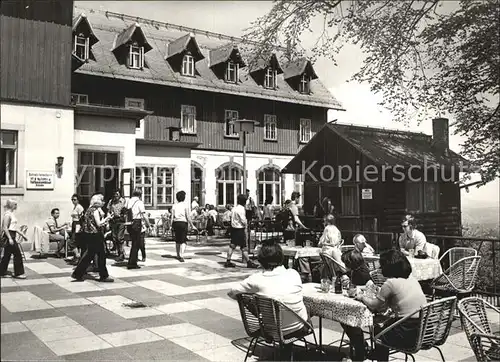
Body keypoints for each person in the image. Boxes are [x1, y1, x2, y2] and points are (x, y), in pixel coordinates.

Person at [356, 249, 427, 361]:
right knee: (385, 322)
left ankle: (379, 357)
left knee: (378, 327)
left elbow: (375, 306)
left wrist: (361, 297)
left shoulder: (390, 283)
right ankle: (378, 355)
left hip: (405, 332)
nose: (380, 268)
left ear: (388, 267)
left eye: (382, 265)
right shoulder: (413, 279)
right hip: (422, 330)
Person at [228, 241, 308, 335]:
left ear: (260, 261)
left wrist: (254, 304)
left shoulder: (256, 279)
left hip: (271, 331)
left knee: (248, 298)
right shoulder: (293, 274)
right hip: (299, 328)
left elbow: (232, 292)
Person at [71, 194, 114, 282]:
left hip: (89, 235)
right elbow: (98, 224)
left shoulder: (88, 210)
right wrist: (107, 218)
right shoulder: (95, 211)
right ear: (97, 202)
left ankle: (77, 274)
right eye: (102, 200)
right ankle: (104, 276)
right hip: (96, 235)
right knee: (101, 255)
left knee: (88, 255)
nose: (103, 202)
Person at [340, 249, 371, 361]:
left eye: (346, 263)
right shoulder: (357, 269)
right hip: (356, 303)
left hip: (365, 305)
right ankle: (360, 345)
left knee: (346, 318)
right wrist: (345, 276)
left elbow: (369, 286)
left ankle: (360, 348)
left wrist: (356, 288)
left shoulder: (362, 272)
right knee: (343, 317)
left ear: (351, 263)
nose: (344, 265)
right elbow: (348, 275)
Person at [224, 194, 258, 269]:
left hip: (233, 229)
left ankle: (228, 261)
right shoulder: (241, 209)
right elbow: (243, 220)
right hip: (240, 229)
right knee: (243, 247)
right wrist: (247, 223)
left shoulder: (234, 209)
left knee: (232, 246)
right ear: (244, 201)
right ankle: (249, 262)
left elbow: (231, 218)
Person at [0, 199, 28, 279]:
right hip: (9, 236)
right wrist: (10, 238)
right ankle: (18, 273)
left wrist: (22, 235)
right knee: (17, 254)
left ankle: (1, 272)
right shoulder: (7, 215)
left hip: (12, 235)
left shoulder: (12, 214)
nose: (16, 206)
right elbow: (5, 227)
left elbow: (14, 227)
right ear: (11, 205)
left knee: (7, 255)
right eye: (15, 204)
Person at [125, 189, 149, 269]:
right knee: (136, 243)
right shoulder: (139, 202)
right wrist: (148, 224)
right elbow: (144, 214)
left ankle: (132, 261)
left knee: (134, 242)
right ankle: (132, 263)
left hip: (129, 223)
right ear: (140, 195)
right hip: (136, 223)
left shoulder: (128, 201)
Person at [171, 190, 197, 262]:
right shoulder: (185, 205)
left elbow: (172, 216)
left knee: (177, 240)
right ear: (184, 197)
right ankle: (181, 255)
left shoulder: (174, 205)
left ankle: (177, 254)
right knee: (183, 240)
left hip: (176, 222)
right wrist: (192, 225)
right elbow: (188, 216)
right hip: (183, 223)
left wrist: (171, 225)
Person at [107, 190, 126, 261]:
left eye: (117, 195)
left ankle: (121, 254)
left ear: (120, 195)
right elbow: (108, 211)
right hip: (113, 221)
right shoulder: (111, 202)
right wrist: (109, 218)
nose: (116, 196)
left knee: (119, 238)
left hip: (121, 221)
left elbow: (127, 211)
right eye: (115, 195)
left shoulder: (123, 201)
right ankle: (119, 253)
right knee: (114, 238)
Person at [67, 194, 84, 264]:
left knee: (72, 242)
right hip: (74, 224)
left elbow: (81, 218)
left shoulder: (79, 207)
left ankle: (77, 256)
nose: (73, 201)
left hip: (78, 224)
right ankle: (76, 257)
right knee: (75, 241)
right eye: (72, 199)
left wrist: (80, 227)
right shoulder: (75, 207)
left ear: (78, 200)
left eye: (75, 200)